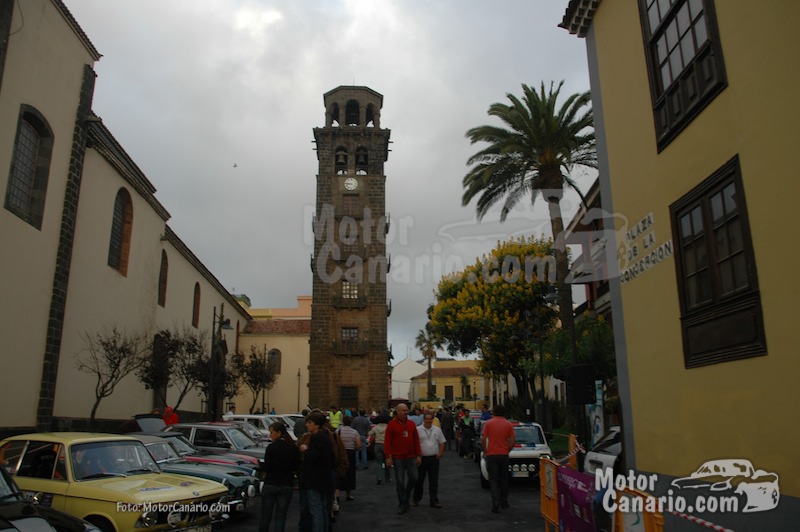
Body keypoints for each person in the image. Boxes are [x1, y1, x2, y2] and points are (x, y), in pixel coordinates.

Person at [260, 422, 299, 532]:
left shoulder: (271, 448)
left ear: (278, 433)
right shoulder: (292, 447)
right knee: (280, 517)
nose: (270, 435)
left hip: (271, 483)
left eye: (271, 432)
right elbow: (295, 466)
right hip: (286, 483)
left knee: (265, 517)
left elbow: (267, 467)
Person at [383, 403, 421, 514]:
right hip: (398, 457)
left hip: (411, 457)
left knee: (415, 478)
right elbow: (387, 442)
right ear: (397, 412)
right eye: (403, 410)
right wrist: (388, 457)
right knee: (400, 481)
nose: (405, 412)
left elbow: (416, 440)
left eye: (406, 410)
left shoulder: (412, 424)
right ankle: (403, 503)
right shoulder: (391, 424)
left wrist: (419, 455)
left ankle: (407, 494)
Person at [298, 411, 333, 532]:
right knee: (322, 508)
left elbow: (313, 457)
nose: (307, 425)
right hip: (323, 479)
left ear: (317, 425)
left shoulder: (317, 438)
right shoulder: (325, 437)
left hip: (314, 479)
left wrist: (305, 449)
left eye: (310, 423)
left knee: (316, 509)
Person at [480, 403, 515, 513]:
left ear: (494, 412)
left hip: (491, 454)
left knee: (493, 479)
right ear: (504, 412)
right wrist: (508, 449)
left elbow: (484, 438)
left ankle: (495, 502)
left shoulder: (488, 424)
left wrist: (485, 450)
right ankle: (504, 501)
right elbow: (513, 440)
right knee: (504, 479)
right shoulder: (508, 424)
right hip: (503, 454)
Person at [413, 411, 446, 509]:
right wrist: (417, 456)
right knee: (419, 480)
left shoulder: (437, 430)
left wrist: (440, 453)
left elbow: (442, 442)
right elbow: (414, 443)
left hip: (434, 459)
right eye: (427, 419)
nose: (428, 421)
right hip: (422, 459)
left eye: (430, 419)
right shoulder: (417, 429)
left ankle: (434, 501)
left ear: (433, 419)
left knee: (434, 481)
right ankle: (416, 499)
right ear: (423, 420)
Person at [335, 416, 361, 502]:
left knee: (339, 473)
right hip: (350, 453)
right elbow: (359, 445)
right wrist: (355, 449)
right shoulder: (355, 432)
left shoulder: (338, 431)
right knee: (350, 473)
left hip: (340, 453)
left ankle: (337, 494)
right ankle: (348, 494)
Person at [368, 411, 391, 485]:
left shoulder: (376, 427)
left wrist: (375, 436)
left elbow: (369, 433)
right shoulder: (388, 427)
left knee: (378, 462)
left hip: (377, 445)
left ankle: (379, 477)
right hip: (385, 445)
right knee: (387, 461)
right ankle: (387, 478)